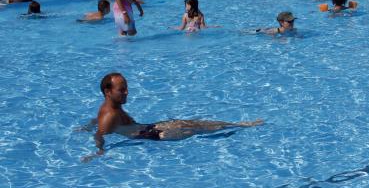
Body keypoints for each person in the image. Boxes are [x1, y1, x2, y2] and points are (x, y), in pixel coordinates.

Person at [91, 73, 263, 154]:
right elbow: (100, 134)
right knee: (197, 130)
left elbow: (97, 122)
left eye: (126, 88)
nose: (127, 92)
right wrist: (99, 152)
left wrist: (86, 127)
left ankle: (237, 125)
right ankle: (239, 127)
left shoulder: (110, 108)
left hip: (151, 128)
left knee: (192, 123)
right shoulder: (109, 115)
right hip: (153, 135)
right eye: (122, 90)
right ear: (108, 92)